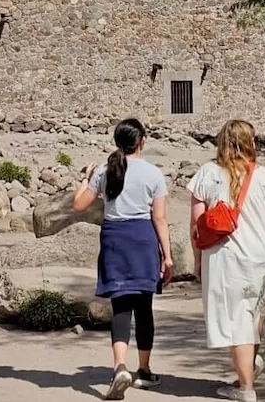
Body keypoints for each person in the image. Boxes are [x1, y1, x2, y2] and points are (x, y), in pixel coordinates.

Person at [187, 120, 265, 402]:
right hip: (264, 257)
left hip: (229, 259)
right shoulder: (262, 175)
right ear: (250, 142)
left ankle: (246, 388)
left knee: (238, 321)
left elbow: (197, 225)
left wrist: (198, 259)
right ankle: (249, 366)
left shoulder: (208, 173)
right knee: (251, 313)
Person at [72, 118, 173, 400]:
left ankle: (119, 368)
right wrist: (167, 256)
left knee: (120, 306)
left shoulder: (105, 170)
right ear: (141, 141)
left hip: (114, 237)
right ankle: (144, 369)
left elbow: (79, 205)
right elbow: (160, 218)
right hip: (142, 238)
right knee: (144, 306)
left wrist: (85, 178)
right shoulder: (153, 173)